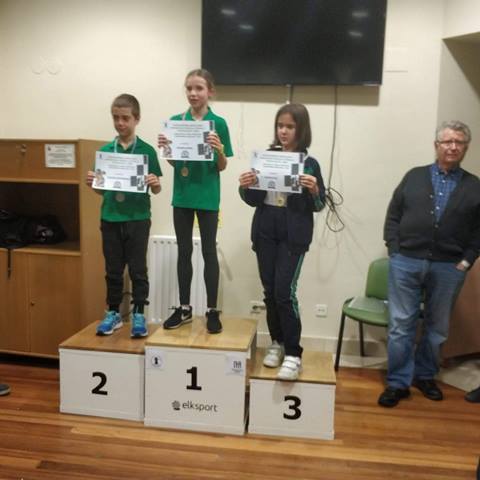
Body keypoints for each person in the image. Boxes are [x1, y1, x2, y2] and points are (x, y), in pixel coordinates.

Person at [379, 120, 480, 407]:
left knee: (437, 328)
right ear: (436, 146)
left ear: (466, 148)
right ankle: (397, 383)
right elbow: (394, 215)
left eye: (458, 142)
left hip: (449, 267)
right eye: (447, 141)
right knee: (401, 325)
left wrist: (467, 260)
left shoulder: (474, 186)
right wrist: (394, 249)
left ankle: (425, 376)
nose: (452, 147)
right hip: (406, 262)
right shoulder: (414, 177)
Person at [238, 104, 326, 380]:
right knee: (269, 291)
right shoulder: (266, 158)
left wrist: (314, 189)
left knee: (284, 292)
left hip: (293, 235)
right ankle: (276, 342)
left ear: (301, 129)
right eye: (280, 126)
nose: (283, 131)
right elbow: (252, 200)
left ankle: (293, 353)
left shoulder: (309, 164)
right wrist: (245, 185)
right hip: (266, 230)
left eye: (290, 126)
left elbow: (320, 204)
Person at [158, 69, 233, 334]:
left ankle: (212, 310)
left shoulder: (218, 124)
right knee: (184, 251)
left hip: (208, 196)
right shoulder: (176, 122)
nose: (193, 93)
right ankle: (184, 308)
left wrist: (219, 150)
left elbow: (222, 166)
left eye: (199, 88)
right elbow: (175, 163)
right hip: (182, 196)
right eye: (189, 88)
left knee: (209, 252)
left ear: (209, 91)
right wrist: (166, 148)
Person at [86, 94, 162, 338]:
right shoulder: (105, 151)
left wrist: (155, 182)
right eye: (116, 118)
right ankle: (113, 313)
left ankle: (139, 313)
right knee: (113, 270)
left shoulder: (147, 151)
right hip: (111, 217)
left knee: (138, 270)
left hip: (138, 218)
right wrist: (93, 183)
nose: (120, 123)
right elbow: (101, 190)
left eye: (125, 118)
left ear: (136, 119)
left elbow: (156, 188)